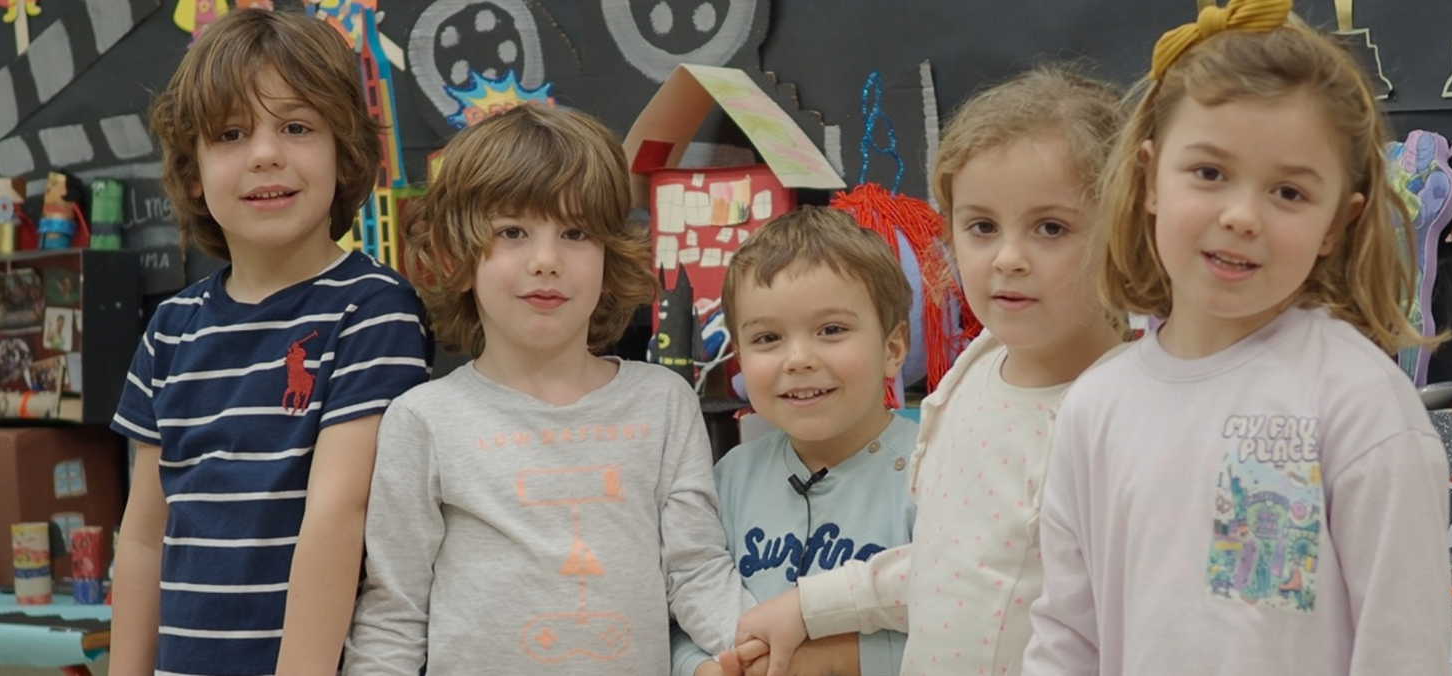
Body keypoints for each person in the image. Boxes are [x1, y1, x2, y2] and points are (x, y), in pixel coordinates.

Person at [1020, 2, 1451, 675]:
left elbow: (1404, 651)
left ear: (1337, 224)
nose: (1243, 215)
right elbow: (1066, 640)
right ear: (1150, 178)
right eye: (1210, 173)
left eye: (1288, 192)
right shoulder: (1095, 406)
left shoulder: (1361, 405)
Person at [730, 65, 1128, 676]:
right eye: (982, 227)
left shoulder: (1128, 412)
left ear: (1124, 229)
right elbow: (951, 565)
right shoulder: (979, 366)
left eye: (1051, 228)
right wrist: (810, 607)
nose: (1008, 258)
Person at [343, 104, 752, 675]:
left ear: (611, 253)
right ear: (455, 254)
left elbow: (696, 571)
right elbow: (395, 614)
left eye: (575, 232)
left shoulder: (663, 403)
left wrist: (765, 646)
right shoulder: (424, 420)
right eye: (512, 232)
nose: (545, 261)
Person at [109, 9, 433, 676]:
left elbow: (339, 514)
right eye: (231, 133)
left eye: (296, 127)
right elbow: (142, 539)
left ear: (344, 154)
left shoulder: (373, 310)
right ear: (193, 171)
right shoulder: (170, 329)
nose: (265, 154)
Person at [673, 206, 918, 676]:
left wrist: (833, 663)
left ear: (892, 348)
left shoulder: (938, 469)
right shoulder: (729, 478)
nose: (798, 359)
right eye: (768, 338)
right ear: (739, 359)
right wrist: (699, 667)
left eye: (831, 330)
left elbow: (977, 625)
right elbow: (684, 609)